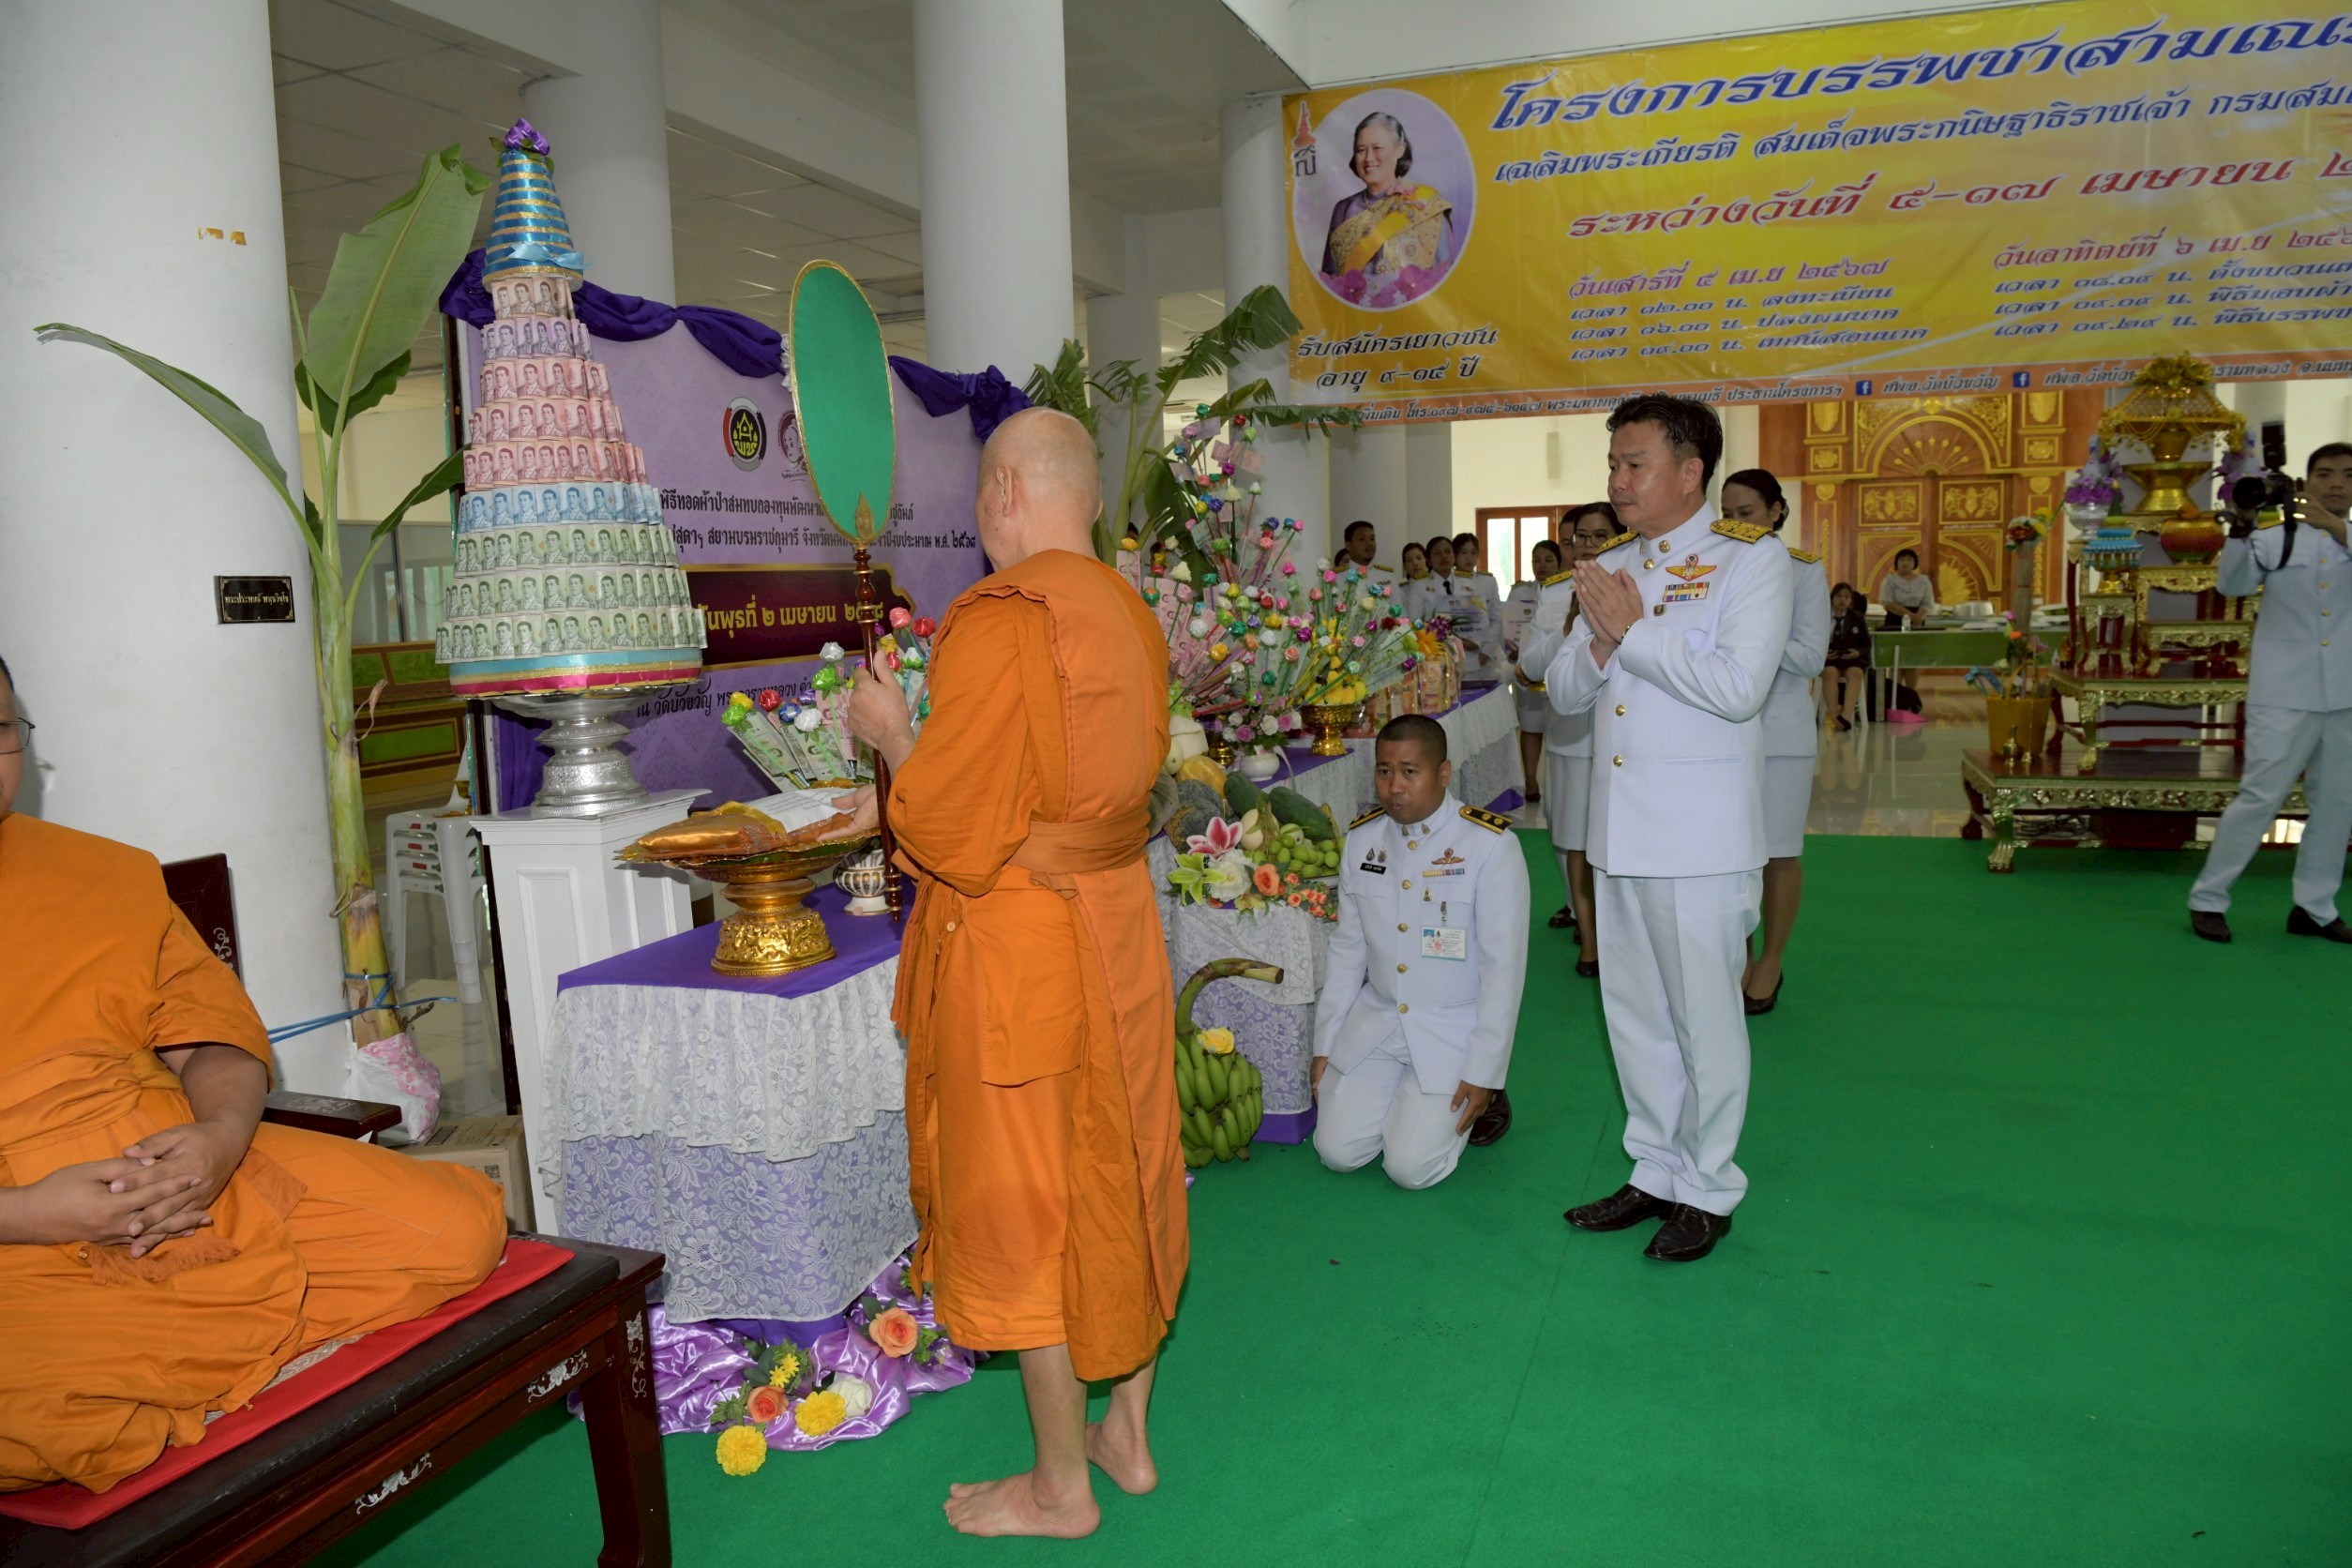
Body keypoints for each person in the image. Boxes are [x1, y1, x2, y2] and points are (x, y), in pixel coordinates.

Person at [0, 656, 505, 1495]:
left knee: (456, 1227)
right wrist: (28, 1214)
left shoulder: (102, 874)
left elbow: (210, 1042)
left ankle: (178, 1352)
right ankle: (190, 1345)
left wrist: (219, 1141)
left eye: (0, 730)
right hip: (17, 1229)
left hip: (177, 1170)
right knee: (46, 1416)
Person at [839, 408, 1183, 1539]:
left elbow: (953, 827)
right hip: (1117, 923)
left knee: (1029, 1200)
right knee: (1124, 1159)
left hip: (1022, 942)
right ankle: (1123, 1430)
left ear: (1000, 495)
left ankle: (1058, 1487)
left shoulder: (1002, 613)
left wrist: (892, 735)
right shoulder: (1131, 609)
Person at [1547, 394, 1792, 1264]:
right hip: (1620, 835)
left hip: (1697, 838)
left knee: (1703, 1020)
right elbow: (1567, 692)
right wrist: (1604, 639)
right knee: (1636, 1015)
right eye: (1613, 463)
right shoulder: (1615, 564)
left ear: (1692, 473)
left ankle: (1710, 1186)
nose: (1616, 480)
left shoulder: (1750, 564)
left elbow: (1737, 688)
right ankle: (1654, 1168)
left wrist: (1634, 631)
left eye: (1634, 463)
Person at [1314, 716, 1527, 1181]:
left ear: (1444, 774)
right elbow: (1348, 950)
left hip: (1451, 1029)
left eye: (1410, 771)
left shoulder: (1490, 846)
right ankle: (1404, 1102)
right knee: (1336, 1152)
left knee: (1410, 1169)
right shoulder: (1363, 840)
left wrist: (1485, 1069)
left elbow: (1503, 971)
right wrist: (1326, 1043)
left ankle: (1487, 1098)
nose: (1394, 786)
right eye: (1384, 770)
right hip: (1380, 1022)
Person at [2189, 443, 2352, 943]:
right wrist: (2240, 527)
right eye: (2324, 474)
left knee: (2337, 803)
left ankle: (2315, 907)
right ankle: (2208, 899)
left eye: (2347, 475)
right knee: (2260, 797)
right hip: (2283, 691)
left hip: (2345, 693)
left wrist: (2338, 530)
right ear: (2305, 483)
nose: (2336, 484)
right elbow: (2233, 586)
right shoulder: (2275, 539)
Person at [1720, 470, 1827, 1016]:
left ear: (1777, 512)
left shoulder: (1801, 571)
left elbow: (1810, 657)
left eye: (1748, 513)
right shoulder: (1710, 568)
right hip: (1718, 733)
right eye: (1728, 514)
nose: (1736, 525)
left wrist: (1754, 636)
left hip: (1780, 734)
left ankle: (1772, 961)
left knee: (1778, 855)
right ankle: (1736, 958)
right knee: (1729, 856)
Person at [1519, 502, 1619, 965]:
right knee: (1573, 837)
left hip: (1629, 738)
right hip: (1574, 736)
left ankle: (1620, 928)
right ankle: (1589, 927)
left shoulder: (1640, 580)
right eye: (1580, 537)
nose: (1589, 546)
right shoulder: (1558, 593)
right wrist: (1569, 627)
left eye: (1600, 536)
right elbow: (1530, 667)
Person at [1319, 113, 1455, 307]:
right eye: (1361, 150)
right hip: (1355, 325)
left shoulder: (1424, 204)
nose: (1369, 158)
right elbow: (1330, 281)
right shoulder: (1343, 209)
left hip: (1415, 322)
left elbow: (1446, 276)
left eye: (1377, 148)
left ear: (1399, 150)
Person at [1505, 538, 1563, 804]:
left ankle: (1556, 782)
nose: (1542, 565)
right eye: (1537, 560)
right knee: (1530, 727)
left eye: (1548, 559)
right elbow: (1507, 629)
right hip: (1525, 669)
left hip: (1558, 667)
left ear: (1559, 562)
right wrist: (1511, 650)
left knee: (1559, 726)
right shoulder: (1519, 592)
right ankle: (1530, 780)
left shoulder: (1567, 588)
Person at [1450, 532, 1506, 686]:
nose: (1469, 558)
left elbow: (1496, 619)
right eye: (1464, 552)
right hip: (1455, 655)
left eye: (1474, 553)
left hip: (1484, 657)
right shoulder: (1448, 582)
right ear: (1455, 554)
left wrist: (1485, 649)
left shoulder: (1488, 582)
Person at [1823, 581, 1872, 730]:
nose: (1842, 600)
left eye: (1846, 597)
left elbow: (1866, 644)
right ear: (1832, 598)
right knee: (1830, 673)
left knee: (1856, 674)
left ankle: (1846, 715)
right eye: (1839, 596)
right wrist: (1823, 653)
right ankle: (1834, 716)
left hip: (1850, 659)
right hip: (1829, 659)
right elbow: (1812, 639)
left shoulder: (1856, 617)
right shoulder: (1821, 616)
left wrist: (1857, 652)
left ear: (1851, 600)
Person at [1878, 547, 1934, 629]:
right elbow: (1888, 603)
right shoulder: (1889, 580)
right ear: (1896, 563)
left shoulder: (1924, 581)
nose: (1905, 562)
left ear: (1915, 563)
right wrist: (1910, 616)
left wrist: (1918, 618)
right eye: (1902, 560)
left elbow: (1927, 603)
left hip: (1917, 620)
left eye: (1909, 560)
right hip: (1895, 619)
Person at [1338, 520, 1393, 588]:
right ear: (1348, 545)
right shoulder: (1337, 579)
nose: (1370, 543)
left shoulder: (1388, 576)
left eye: (1372, 539)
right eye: (1362, 539)